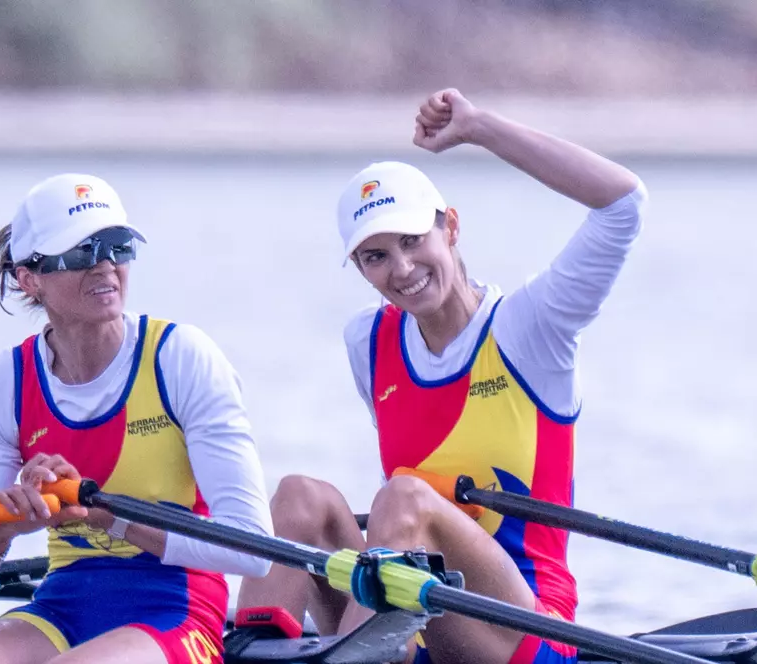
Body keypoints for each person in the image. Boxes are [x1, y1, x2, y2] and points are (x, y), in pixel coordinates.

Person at [236, 88, 647, 664]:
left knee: (406, 498)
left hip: (528, 630)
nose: (401, 269)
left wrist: (478, 128)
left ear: (451, 227)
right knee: (300, 498)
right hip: (414, 623)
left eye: (412, 240)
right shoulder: (368, 342)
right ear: (359, 267)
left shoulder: (532, 327)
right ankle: (251, 646)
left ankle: (351, 655)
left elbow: (624, 203)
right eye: (375, 256)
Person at [0, 173, 274, 664]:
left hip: (178, 611)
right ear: (30, 279)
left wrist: (108, 518)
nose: (106, 266)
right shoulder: (8, 381)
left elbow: (253, 549)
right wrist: (1, 531)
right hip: (62, 608)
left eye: (117, 245)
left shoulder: (180, 357)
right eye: (80, 253)